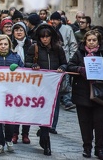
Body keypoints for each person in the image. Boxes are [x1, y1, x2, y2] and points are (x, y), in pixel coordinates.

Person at [25, 23, 67, 156]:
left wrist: (62, 68)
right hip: (38, 87)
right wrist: (33, 65)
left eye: (47, 37)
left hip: (53, 87)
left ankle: (45, 139)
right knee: (42, 112)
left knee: (49, 113)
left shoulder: (58, 49)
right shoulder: (34, 48)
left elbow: (65, 63)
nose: (45, 39)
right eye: (42, 37)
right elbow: (26, 63)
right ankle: (45, 139)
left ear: (51, 37)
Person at [67, 30, 103, 159]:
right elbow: (70, 66)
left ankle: (99, 149)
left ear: (98, 41)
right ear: (85, 41)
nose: (91, 42)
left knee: (100, 123)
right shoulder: (79, 53)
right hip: (82, 93)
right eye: (89, 40)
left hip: (100, 94)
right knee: (85, 123)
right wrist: (80, 69)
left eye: (94, 40)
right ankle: (87, 147)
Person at [11, 22, 33, 144]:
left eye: (21, 30)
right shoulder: (10, 44)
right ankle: (15, 133)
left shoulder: (31, 45)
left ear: (25, 32)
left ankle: (26, 133)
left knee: (26, 107)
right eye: (16, 30)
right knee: (15, 108)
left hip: (28, 80)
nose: (19, 32)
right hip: (14, 81)